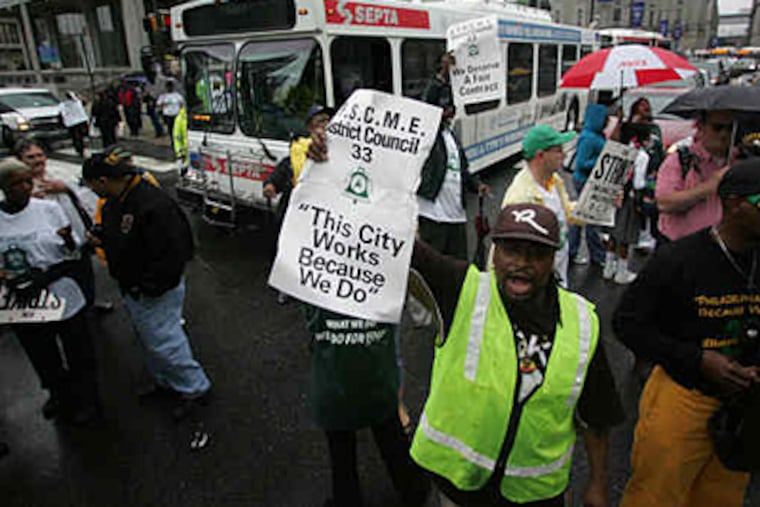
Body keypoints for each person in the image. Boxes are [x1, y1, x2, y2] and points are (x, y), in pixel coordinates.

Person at [409, 204, 622, 507]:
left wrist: (598, 484)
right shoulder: (463, 291)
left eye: (536, 254)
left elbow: (597, 414)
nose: (521, 263)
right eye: (511, 250)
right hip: (458, 486)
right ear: (494, 252)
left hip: (533, 494)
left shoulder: (583, 323)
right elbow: (398, 246)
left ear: (553, 259)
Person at [613, 159, 760, 507]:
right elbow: (627, 324)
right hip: (683, 400)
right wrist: (697, 359)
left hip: (743, 409)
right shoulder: (679, 260)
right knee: (656, 496)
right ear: (735, 204)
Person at [82, 152, 211, 421]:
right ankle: (166, 381)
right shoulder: (114, 202)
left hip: (153, 288)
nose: (91, 190)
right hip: (133, 286)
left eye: (91, 183)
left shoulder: (151, 202)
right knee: (150, 340)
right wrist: (102, 237)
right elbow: (126, 238)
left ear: (103, 180)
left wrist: (151, 286)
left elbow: (176, 249)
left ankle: (194, 388)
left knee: (165, 341)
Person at [0, 158, 101, 425]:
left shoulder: (47, 210)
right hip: (23, 299)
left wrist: (68, 240)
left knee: (77, 349)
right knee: (41, 352)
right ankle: (58, 392)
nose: (23, 188)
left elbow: (73, 249)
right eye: (15, 184)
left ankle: (87, 399)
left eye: (26, 182)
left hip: (58, 288)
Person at [14, 138, 103, 309]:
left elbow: (90, 198)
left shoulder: (60, 175)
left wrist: (66, 188)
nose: (37, 160)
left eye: (40, 155)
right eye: (30, 157)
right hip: (44, 249)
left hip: (73, 237)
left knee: (84, 274)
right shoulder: (17, 185)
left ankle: (89, 304)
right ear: (20, 161)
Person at [501, 125, 576, 286]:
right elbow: (509, 253)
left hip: (557, 276)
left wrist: (600, 206)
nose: (564, 155)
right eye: (558, 150)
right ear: (541, 155)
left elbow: (567, 212)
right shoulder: (521, 197)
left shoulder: (554, 181)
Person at [655, 109, 735, 242]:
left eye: (730, 129)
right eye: (717, 128)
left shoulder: (739, 161)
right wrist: (708, 188)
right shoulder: (680, 160)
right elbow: (664, 203)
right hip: (682, 247)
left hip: (724, 247)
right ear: (701, 127)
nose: (724, 134)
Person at [568, 103, 610, 267]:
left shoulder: (595, 135)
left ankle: (574, 251)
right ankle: (596, 255)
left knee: (582, 219)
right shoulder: (589, 138)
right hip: (584, 181)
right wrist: (602, 159)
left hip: (588, 180)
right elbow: (582, 163)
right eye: (605, 118)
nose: (607, 121)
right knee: (589, 221)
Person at [157, 81, 185, 152]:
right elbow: (159, 104)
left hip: (176, 115)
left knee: (177, 129)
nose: (169, 88)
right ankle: (173, 142)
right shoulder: (163, 96)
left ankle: (179, 142)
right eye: (168, 87)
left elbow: (182, 104)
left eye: (170, 86)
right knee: (171, 130)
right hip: (167, 115)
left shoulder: (177, 95)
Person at [60, 91, 89, 157]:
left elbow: (62, 114)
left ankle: (79, 149)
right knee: (79, 137)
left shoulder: (63, 104)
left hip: (71, 122)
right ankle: (80, 149)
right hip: (79, 121)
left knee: (75, 137)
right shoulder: (77, 102)